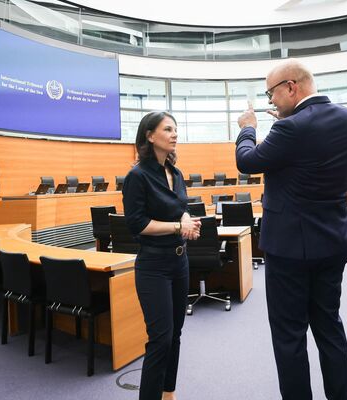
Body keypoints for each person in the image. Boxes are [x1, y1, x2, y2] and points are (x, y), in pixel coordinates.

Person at [235, 60, 347, 400]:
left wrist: (247, 128)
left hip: (289, 249)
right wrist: (288, 122)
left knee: (289, 337)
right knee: (329, 326)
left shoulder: (288, 130)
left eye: (271, 93)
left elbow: (247, 162)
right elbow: (310, 156)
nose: (270, 101)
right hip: (333, 243)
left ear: (291, 87)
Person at [123, 111, 201, 400]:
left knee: (176, 335)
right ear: (150, 135)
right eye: (168, 129)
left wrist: (187, 222)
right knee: (160, 339)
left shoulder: (176, 172)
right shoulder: (137, 176)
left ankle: (169, 393)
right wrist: (176, 226)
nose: (174, 134)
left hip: (179, 261)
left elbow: (179, 206)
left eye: (176, 129)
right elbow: (136, 224)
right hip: (153, 264)